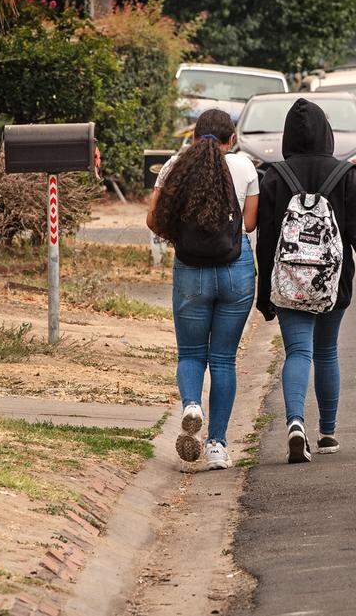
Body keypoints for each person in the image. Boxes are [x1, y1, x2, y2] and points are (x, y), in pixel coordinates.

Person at [256, 99, 356, 463]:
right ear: (326, 133)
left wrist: (264, 295)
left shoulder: (274, 176)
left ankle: (295, 423)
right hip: (334, 282)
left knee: (298, 351)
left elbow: (266, 239)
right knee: (327, 350)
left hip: (287, 282)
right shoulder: (346, 174)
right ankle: (327, 432)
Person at [148, 109, 259, 470]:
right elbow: (250, 223)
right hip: (235, 270)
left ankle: (192, 404)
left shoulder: (174, 167)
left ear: (194, 137)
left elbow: (153, 219)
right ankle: (217, 446)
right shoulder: (244, 168)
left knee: (191, 354)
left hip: (191, 270)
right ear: (231, 140)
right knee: (224, 360)